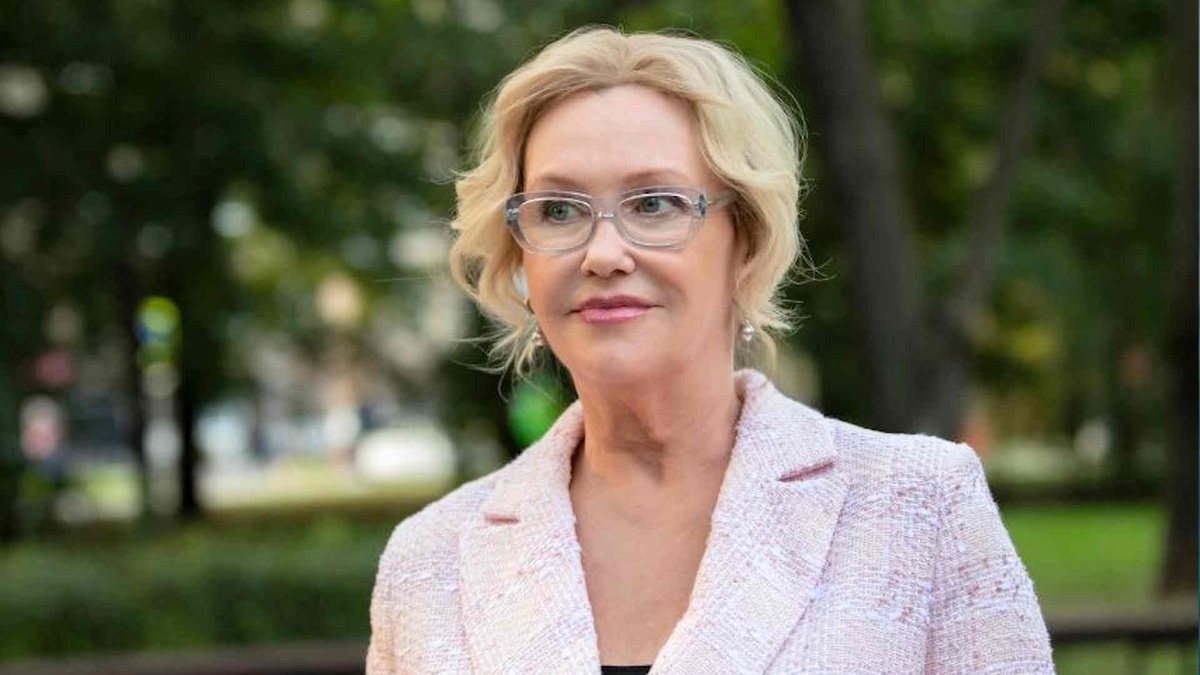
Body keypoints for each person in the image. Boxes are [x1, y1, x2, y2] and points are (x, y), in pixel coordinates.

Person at [367, 27, 1054, 675]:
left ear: (745, 238)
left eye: (654, 204)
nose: (603, 253)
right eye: (559, 210)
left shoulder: (920, 511)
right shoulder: (429, 563)